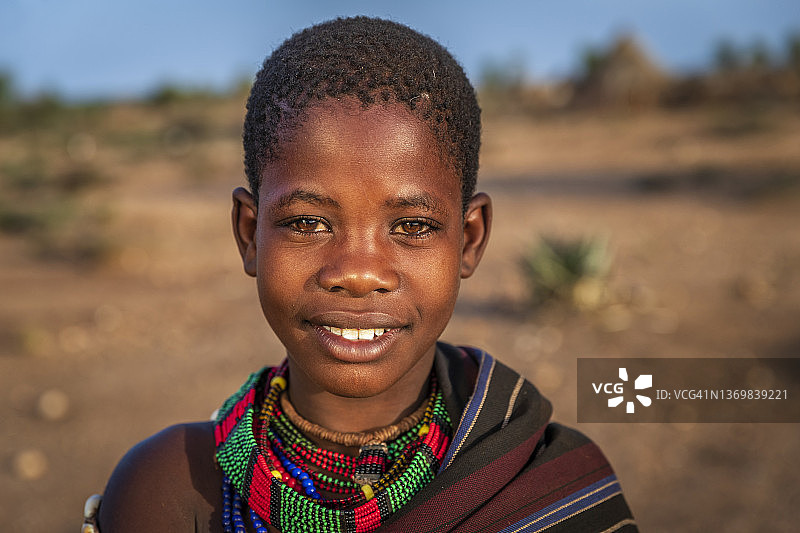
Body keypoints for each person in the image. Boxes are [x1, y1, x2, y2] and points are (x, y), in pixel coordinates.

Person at [88, 16, 637, 533]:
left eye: (414, 226)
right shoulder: (172, 487)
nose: (357, 273)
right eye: (307, 222)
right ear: (249, 233)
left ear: (469, 239)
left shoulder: (548, 487)